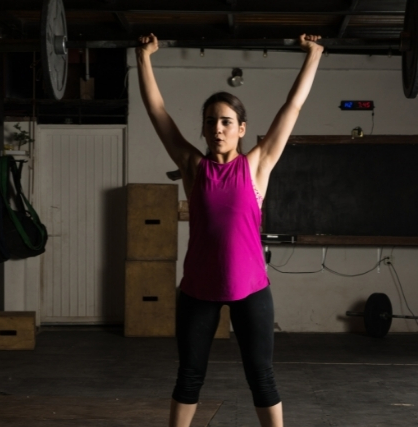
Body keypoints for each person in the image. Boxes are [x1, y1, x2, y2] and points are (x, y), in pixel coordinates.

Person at [136, 33, 323, 427]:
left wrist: (314, 54)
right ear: (203, 130)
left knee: (261, 376)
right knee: (189, 376)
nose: (217, 128)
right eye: (211, 122)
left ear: (241, 129)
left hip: (251, 290)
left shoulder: (257, 165)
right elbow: (157, 111)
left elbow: (293, 106)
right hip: (197, 291)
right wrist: (143, 57)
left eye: (226, 122)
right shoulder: (193, 167)